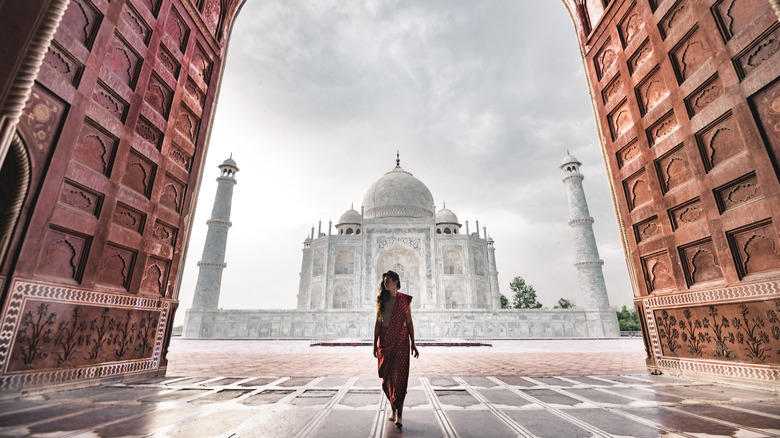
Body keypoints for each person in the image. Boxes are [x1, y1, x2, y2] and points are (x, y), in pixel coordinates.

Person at [373, 270, 419, 429]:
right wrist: (374, 344)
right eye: (384, 281)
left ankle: (399, 415)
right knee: (388, 378)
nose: (385, 283)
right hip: (385, 341)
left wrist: (413, 343)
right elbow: (378, 323)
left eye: (387, 281)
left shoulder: (405, 300)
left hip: (401, 342)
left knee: (400, 379)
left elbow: (409, 322)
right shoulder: (382, 301)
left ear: (395, 282)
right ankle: (393, 410)